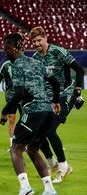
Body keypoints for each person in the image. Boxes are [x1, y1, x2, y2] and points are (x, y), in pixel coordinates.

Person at [1, 33, 61, 195]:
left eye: (6, 49)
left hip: (33, 111)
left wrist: (5, 111)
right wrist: (55, 100)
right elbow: (55, 82)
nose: (5, 53)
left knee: (16, 148)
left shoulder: (17, 65)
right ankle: (50, 190)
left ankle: (25, 186)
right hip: (48, 111)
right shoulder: (36, 63)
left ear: (13, 48)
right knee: (33, 149)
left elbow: (19, 93)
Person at [29, 26, 85, 183]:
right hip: (46, 99)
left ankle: (63, 166)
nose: (37, 44)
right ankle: (52, 163)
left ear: (46, 38)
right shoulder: (35, 57)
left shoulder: (59, 52)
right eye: (34, 41)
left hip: (64, 96)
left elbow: (79, 70)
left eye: (39, 40)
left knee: (50, 129)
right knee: (36, 133)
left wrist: (78, 94)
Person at [0, 60, 22, 147]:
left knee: (25, 119)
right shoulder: (6, 65)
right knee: (11, 118)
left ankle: (24, 140)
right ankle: (12, 143)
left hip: (24, 96)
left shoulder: (25, 63)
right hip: (11, 96)